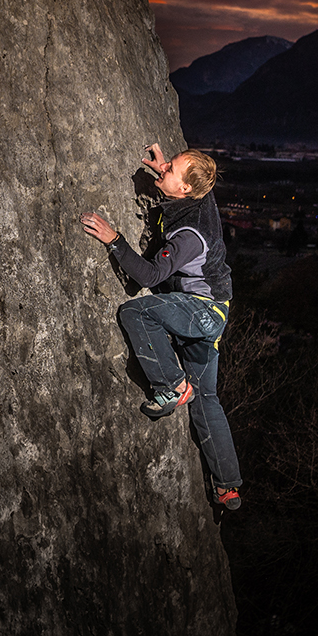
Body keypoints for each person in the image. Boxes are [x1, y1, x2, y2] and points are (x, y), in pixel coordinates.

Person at [82, 144, 244, 510]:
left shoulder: (189, 237)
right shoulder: (200, 193)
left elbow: (152, 273)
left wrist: (114, 240)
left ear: (185, 189)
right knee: (207, 399)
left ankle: (171, 385)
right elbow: (192, 179)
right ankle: (228, 487)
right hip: (215, 311)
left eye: (170, 169)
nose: (164, 167)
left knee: (136, 313)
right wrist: (164, 173)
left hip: (202, 311)